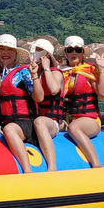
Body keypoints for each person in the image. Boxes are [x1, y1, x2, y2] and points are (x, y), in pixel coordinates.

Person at [0, 34, 43, 174]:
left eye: (9, 49)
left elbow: (39, 97)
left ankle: (27, 170)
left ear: (15, 53)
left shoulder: (23, 72)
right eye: (2, 49)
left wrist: (35, 76)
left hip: (22, 122)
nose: (5, 52)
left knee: (10, 130)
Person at [61, 35, 104, 168]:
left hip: (90, 120)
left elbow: (101, 93)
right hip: (67, 119)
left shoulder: (90, 70)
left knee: (74, 127)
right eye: (70, 50)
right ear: (65, 52)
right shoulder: (62, 73)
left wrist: (101, 70)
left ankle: (96, 163)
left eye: (77, 50)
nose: (74, 53)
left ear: (83, 52)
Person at [29, 38, 65, 171]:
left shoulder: (55, 73)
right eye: (33, 50)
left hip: (52, 122)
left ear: (47, 55)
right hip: (32, 121)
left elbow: (54, 89)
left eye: (38, 50)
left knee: (40, 122)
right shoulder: (31, 74)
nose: (34, 53)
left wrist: (46, 68)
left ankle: (52, 167)